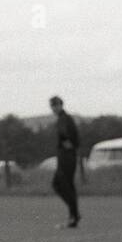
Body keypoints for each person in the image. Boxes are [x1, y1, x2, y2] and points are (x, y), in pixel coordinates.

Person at [49, 95, 82, 228]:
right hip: (68, 155)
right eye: (52, 106)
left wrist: (68, 145)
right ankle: (74, 214)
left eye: (55, 105)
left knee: (60, 184)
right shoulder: (66, 119)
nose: (54, 108)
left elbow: (65, 135)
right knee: (66, 185)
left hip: (66, 156)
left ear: (60, 105)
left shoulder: (63, 119)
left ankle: (74, 215)